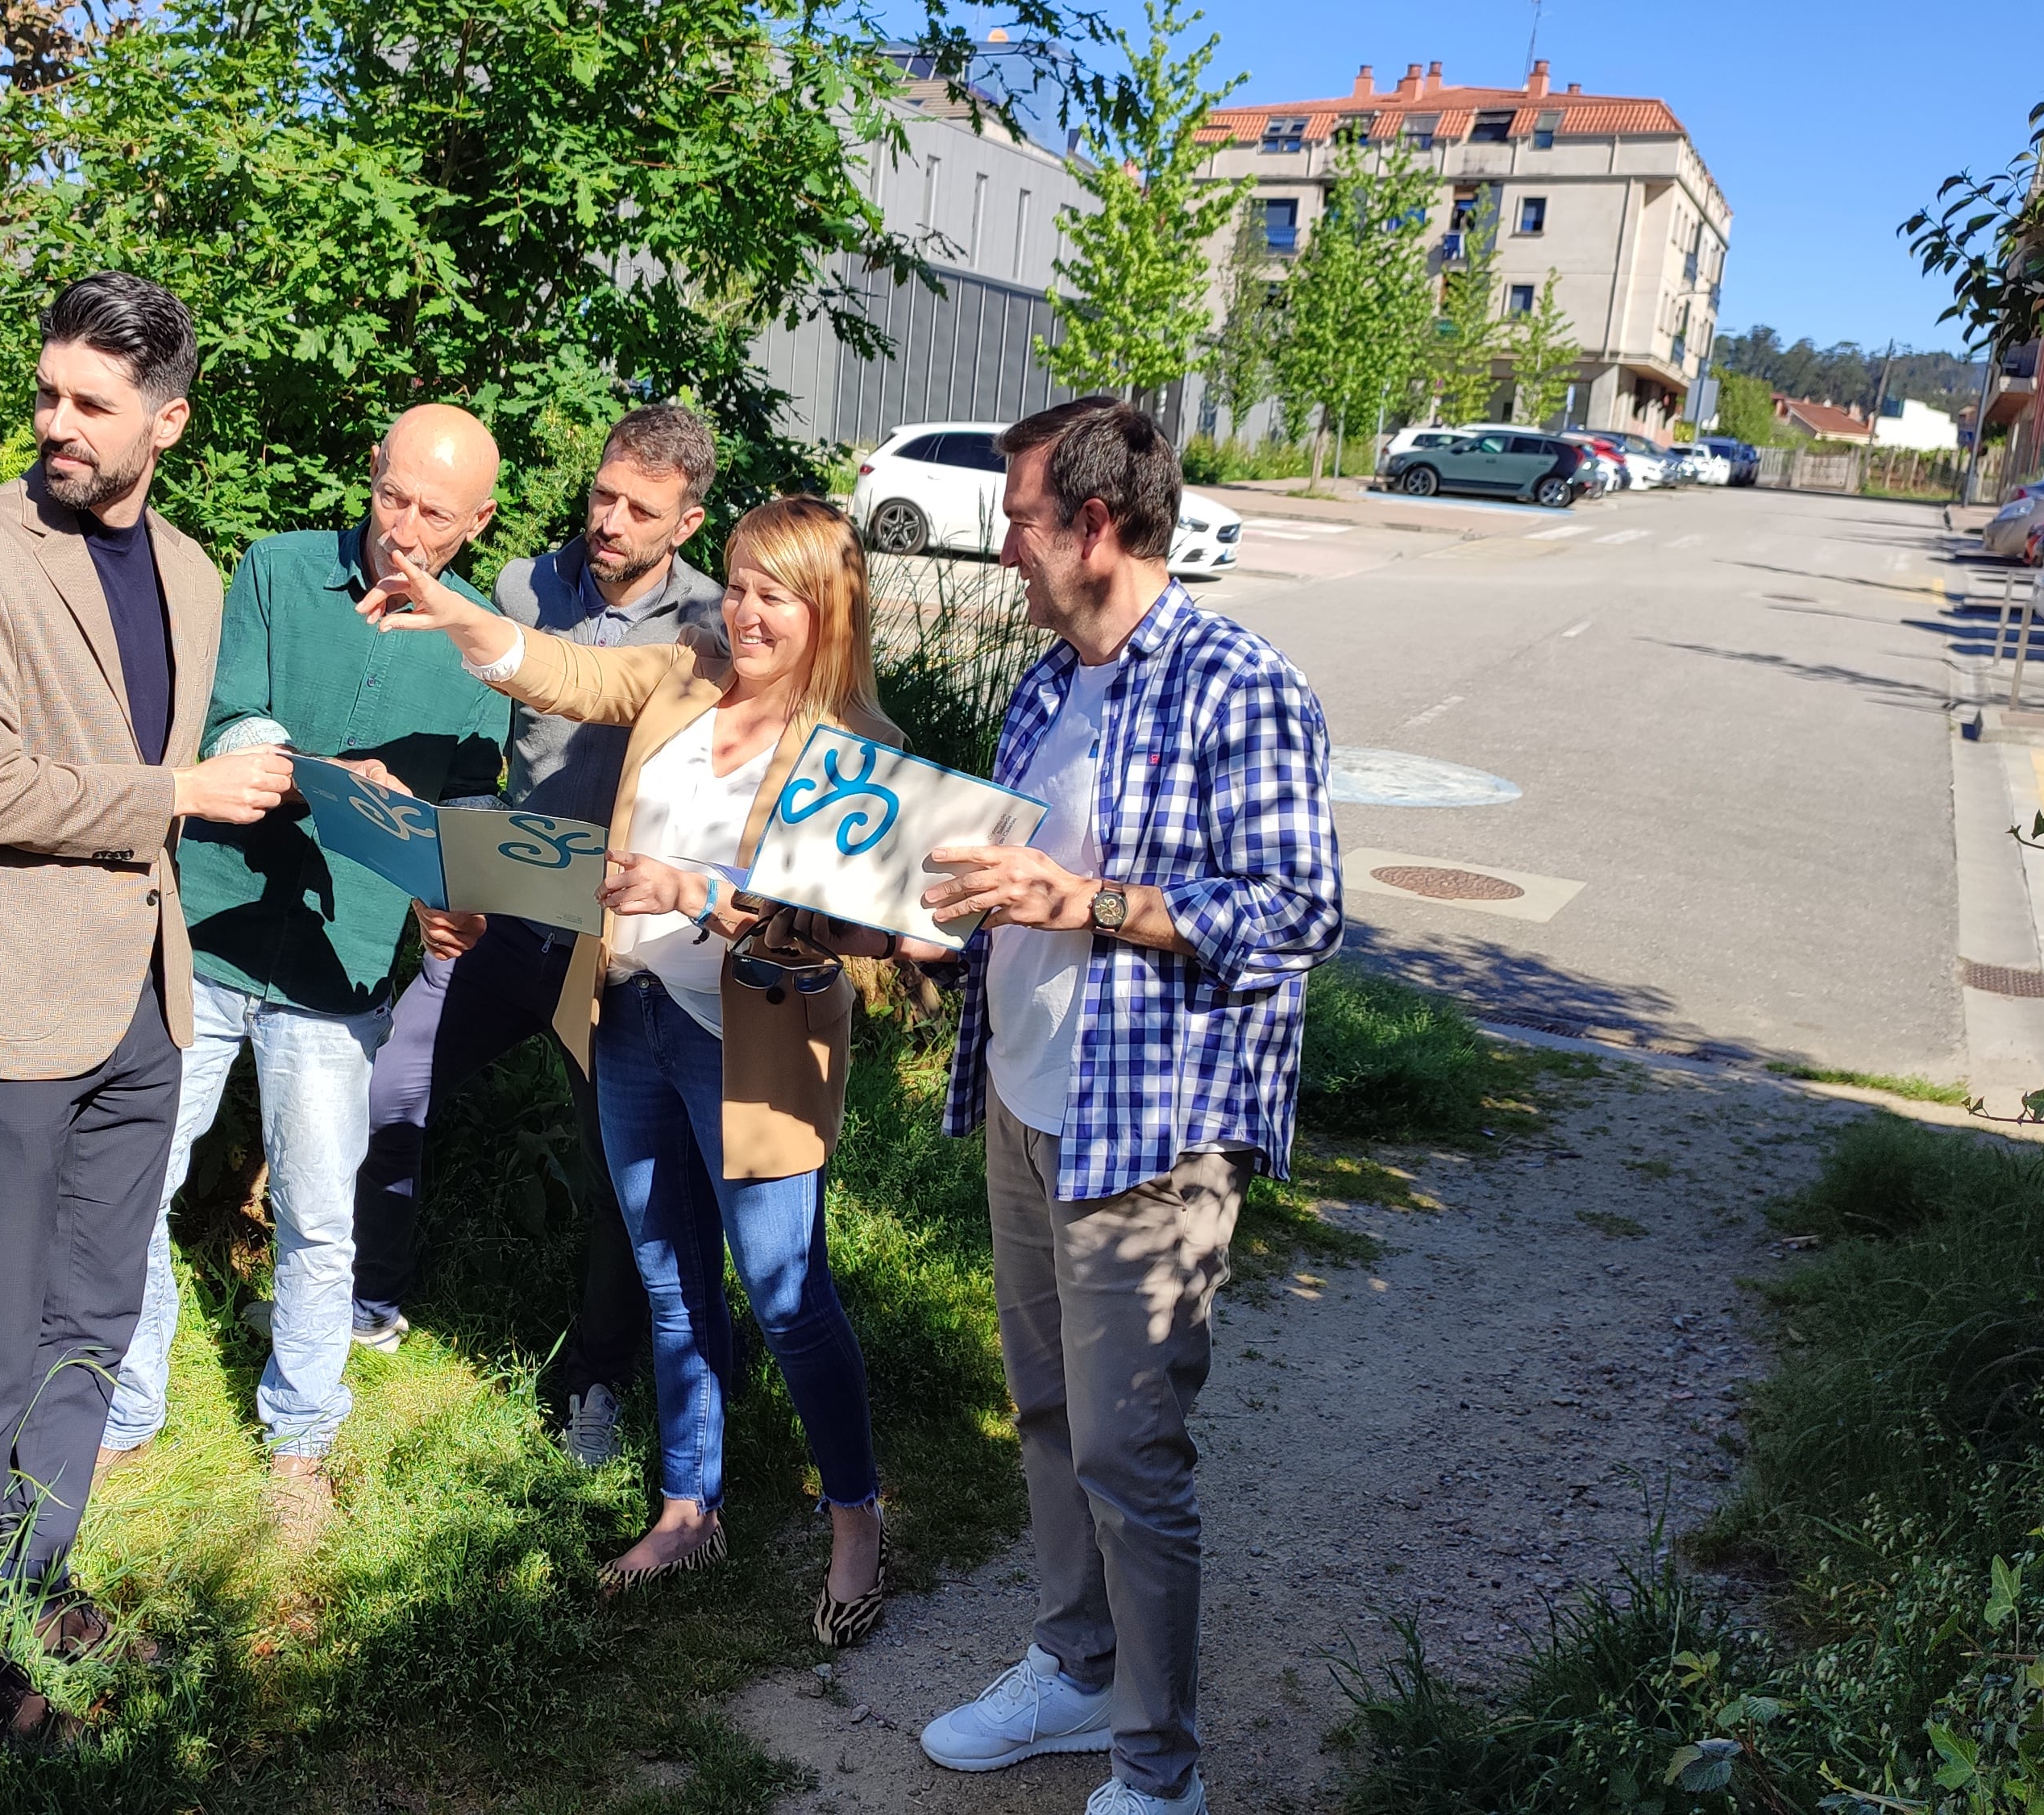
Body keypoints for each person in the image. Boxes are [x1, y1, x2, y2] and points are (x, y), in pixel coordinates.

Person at [361, 495, 904, 1647]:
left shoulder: (861, 748)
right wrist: (452, 606)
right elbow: (559, 672)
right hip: (630, 1015)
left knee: (786, 1293)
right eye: (740, 583)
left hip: (751, 1048)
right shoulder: (685, 672)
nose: (745, 612)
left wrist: (697, 893)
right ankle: (687, 1506)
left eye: (775, 595)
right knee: (669, 1281)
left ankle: (855, 1518)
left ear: (830, 611)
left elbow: (839, 934)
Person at [909, 398, 1341, 1815]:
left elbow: (1295, 915)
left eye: (1023, 517)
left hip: (1150, 1132)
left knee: (1129, 1451)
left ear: (1098, 526)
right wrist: (910, 923)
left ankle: (1162, 1770)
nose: (1006, 544)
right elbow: (1005, 888)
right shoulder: (1049, 683)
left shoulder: (1243, 686)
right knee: (1044, 1411)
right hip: (1026, 1104)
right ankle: (1074, 1668)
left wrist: (1088, 903)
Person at [0, 272, 294, 1751]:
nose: (55, 423)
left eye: (91, 405)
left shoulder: (193, 573)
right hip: (5, 1004)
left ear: (165, 423)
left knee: (93, 1315)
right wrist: (177, 794)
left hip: (146, 1001)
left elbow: (206, 761)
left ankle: (33, 1575)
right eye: (48, 392)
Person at [97, 405, 513, 1535]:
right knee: (134, 1179)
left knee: (322, 1214)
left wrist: (456, 897)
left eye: (434, 513)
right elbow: (229, 713)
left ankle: (301, 1441)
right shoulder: (280, 569)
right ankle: (128, 1411)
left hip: (343, 964)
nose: (404, 529)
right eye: (391, 496)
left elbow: (473, 812)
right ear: (369, 476)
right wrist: (300, 764)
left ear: (478, 524)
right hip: (215, 923)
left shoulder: (485, 651)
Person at [347, 404, 729, 1466]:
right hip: (504, 913)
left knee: (618, 1169)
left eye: (637, 509)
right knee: (382, 1073)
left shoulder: (710, 630)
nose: (607, 520)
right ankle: (361, 1298)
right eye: (601, 493)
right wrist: (445, 871)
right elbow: (477, 754)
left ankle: (595, 1380)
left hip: (616, 947)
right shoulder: (521, 588)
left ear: (686, 522)